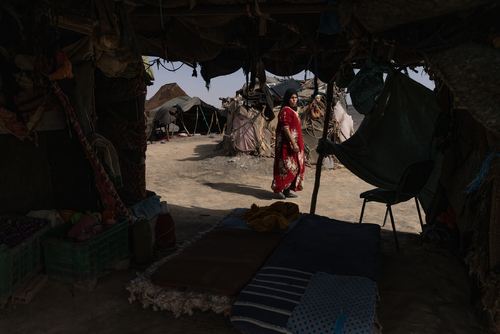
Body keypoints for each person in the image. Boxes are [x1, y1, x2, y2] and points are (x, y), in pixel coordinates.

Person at [272, 88, 305, 199]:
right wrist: (294, 143)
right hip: (286, 146)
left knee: (293, 167)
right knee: (287, 168)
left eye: (296, 98)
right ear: (287, 98)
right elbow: (285, 128)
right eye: (291, 98)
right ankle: (278, 189)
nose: (294, 100)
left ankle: (286, 191)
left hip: (293, 146)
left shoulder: (293, 110)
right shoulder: (286, 110)